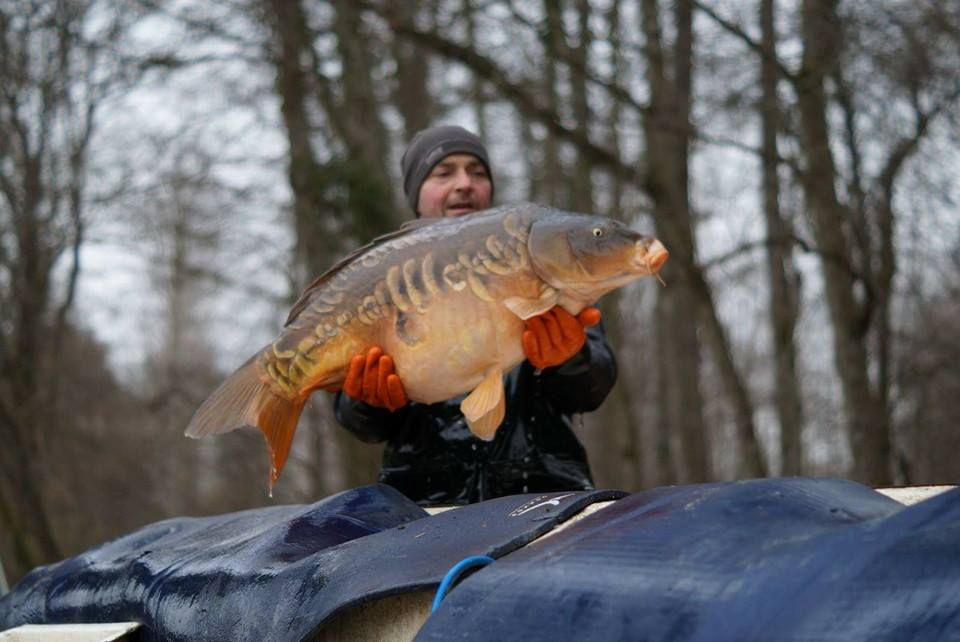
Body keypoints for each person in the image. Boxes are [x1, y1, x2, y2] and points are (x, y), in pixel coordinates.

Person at [332, 125, 618, 506]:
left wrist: (570, 359)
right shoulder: (383, 282)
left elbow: (594, 386)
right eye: (444, 172)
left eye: (477, 172)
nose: (464, 183)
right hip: (421, 505)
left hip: (546, 495)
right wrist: (367, 399)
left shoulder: (543, 263)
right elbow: (360, 424)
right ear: (416, 194)